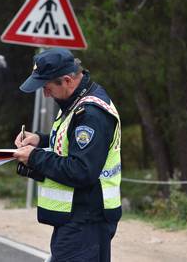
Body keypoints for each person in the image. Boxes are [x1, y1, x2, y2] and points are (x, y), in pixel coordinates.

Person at [13, 48, 122, 262]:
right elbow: (70, 144)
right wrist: (40, 140)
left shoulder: (91, 114)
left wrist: (35, 157)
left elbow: (82, 170)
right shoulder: (74, 103)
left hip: (87, 220)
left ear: (67, 80)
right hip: (78, 218)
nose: (45, 94)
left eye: (47, 87)